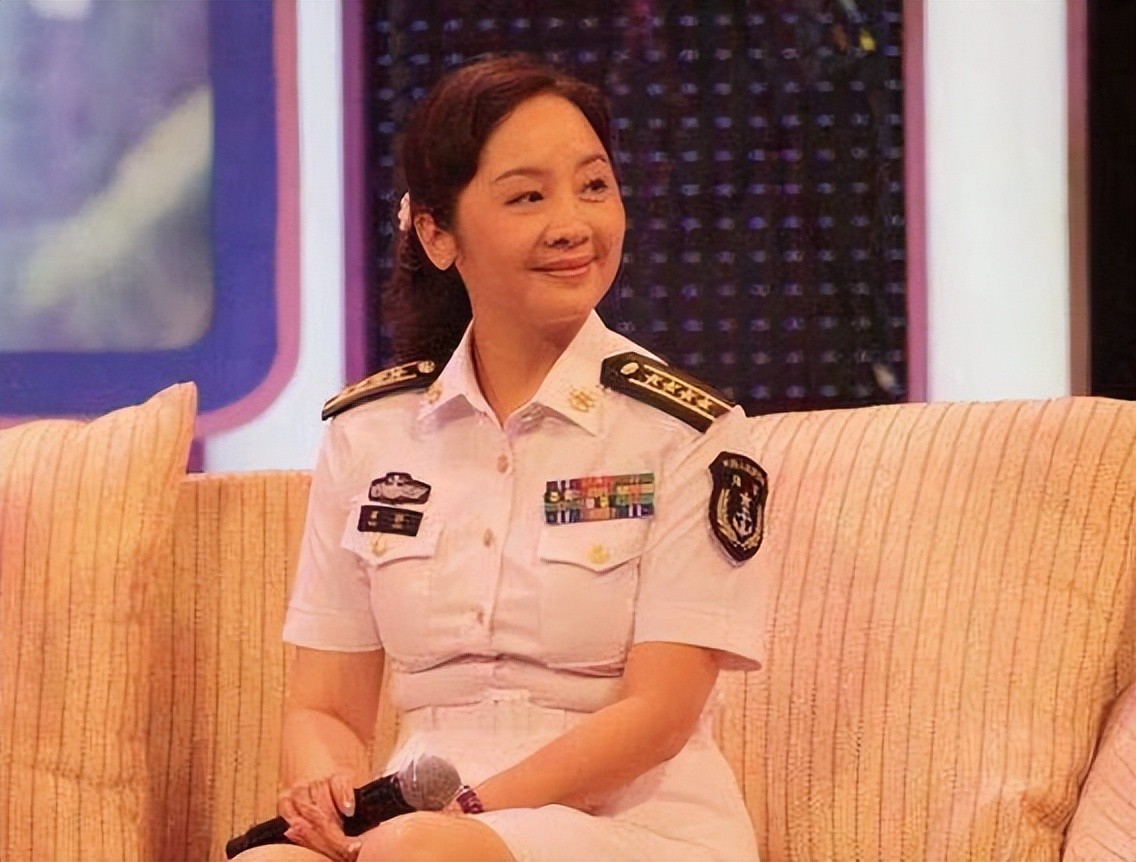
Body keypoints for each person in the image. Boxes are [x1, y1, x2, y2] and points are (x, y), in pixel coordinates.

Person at [238, 54, 769, 862]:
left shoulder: (689, 433)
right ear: (436, 234)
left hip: (634, 824)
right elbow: (326, 710)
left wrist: (465, 813)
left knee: (418, 855)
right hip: (419, 827)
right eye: (528, 197)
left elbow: (658, 718)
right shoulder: (370, 432)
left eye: (594, 186)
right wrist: (329, 797)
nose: (573, 224)